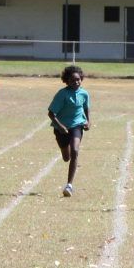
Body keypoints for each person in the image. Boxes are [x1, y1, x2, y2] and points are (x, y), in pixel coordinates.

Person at [48, 64, 92, 198]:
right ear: (66, 81)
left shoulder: (84, 93)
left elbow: (86, 108)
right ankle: (65, 152)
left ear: (81, 79)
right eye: (72, 80)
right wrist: (60, 126)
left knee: (75, 151)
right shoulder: (62, 94)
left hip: (76, 126)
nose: (76, 82)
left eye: (78, 79)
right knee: (66, 157)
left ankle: (69, 185)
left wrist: (88, 121)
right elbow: (51, 113)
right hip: (61, 128)